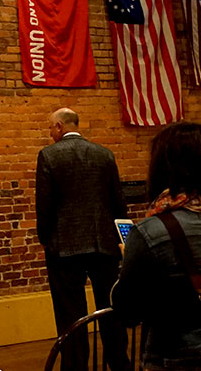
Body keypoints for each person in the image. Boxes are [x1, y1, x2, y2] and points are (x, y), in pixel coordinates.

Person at [112, 122, 201, 370]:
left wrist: (128, 261)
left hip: (174, 361)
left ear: (163, 169)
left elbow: (127, 312)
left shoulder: (150, 232)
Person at [36, 108, 130, 371]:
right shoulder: (104, 154)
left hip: (64, 247)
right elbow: (118, 202)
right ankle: (119, 363)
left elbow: (44, 205)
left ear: (59, 126)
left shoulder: (49, 155)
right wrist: (119, 237)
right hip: (104, 244)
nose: (50, 133)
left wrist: (45, 238)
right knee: (111, 308)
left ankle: (76, 367)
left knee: (70, 314)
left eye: (50, 128)